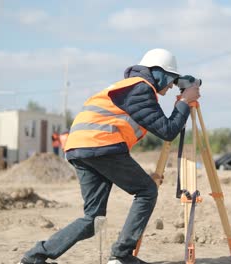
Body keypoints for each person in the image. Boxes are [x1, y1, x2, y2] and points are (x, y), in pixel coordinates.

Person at [18, 48, 200, 264]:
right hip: (100, 145)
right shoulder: (141, 89)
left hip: (81, 148)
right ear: (158, 72)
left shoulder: (127, 88)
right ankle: (122, 256)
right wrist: (185, 102)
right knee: (147, 191)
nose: (171, 85)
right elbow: (168, 131)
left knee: (92, 219)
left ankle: (34, 257)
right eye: (170, 79)